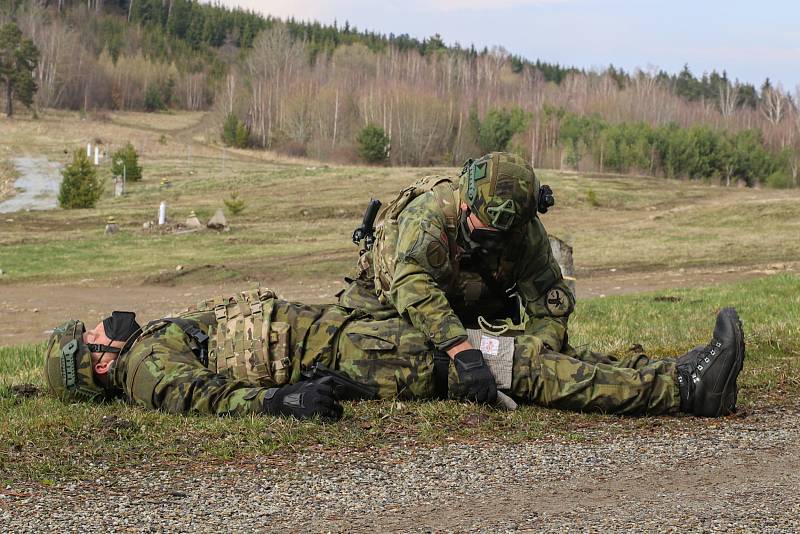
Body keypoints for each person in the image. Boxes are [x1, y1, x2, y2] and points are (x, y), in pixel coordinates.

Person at [43, 287, 746, 420]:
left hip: (358, 335)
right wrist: (281, 401)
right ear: (96, 361)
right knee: (505, 364)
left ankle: (664, 372)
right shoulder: (144, 370)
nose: (105, 326)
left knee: (509, 349)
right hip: (367, 358)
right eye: (94, 335)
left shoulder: (142, 348)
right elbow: (203, 398)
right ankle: (683, 389)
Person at [341, 152, 576, 404]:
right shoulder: (429, 213)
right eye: (487, 235)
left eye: (506, 237)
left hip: (462, 312)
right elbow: (413, 285)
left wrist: (536, 355)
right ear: (465, 204)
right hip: (384, 306)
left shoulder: (526, 233)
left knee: (570, 360)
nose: (497, 243)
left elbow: (550, 308)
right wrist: (462, 350)